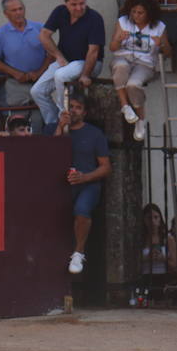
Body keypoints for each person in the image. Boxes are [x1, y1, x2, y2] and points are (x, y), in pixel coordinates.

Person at [32, 0, 106, 132]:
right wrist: (58, 56)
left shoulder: (94, 18)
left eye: (82, 3)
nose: (79, 8)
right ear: (65, 2)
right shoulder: (60, 12)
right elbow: (44, 35)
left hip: (88, 63)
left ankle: (63, 114)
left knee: (61, 75)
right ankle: (53, 123)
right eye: (74, 4)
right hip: (66, 62)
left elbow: (94, 51)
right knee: (37, 91)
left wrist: (85, 75)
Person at [56, 90, 111, 275]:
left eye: (78, 108)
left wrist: (85, 177)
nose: (73, 111)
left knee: (82, 211)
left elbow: (105, 167)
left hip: (87, 183)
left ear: (84, 112)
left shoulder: (95, 134)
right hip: (60, 184)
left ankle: (79, 252)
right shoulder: (52, 128)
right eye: (71, 107)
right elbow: (48, 154)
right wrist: (60, 127)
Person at [108, 0, 170, 143]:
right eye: (133, 12)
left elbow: (168, 52)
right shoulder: (123, 22)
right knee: (120, 67)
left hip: (145, 63)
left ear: (149, 13)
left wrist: (160, 44)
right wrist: (119, 39)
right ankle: (125, 106)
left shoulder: (159, 27)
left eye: (140, 13)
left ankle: (140, 121)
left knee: (134, 84)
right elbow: (112, 47)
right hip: (123, 58)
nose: (136, 16)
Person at [0, 0, 50, 129]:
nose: (18, 13)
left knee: (40, 118)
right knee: (18, 120)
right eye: (14, 10)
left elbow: (52, 54)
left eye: (20, 9)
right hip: (15, 84)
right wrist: (15, 73)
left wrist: (39, 72)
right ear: (6, 14)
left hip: (41, 81)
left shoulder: (39, 28)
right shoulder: (0, 34)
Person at [139, 202, 177, 289]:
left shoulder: (168, 239)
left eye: (156, 217)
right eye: (149, 218)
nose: (152, 221)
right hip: (145, 279)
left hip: (163, 279)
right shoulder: (140, 239)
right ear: (144, 220)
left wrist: (162, 258)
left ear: (160, 219)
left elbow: (174, 265)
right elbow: (132, 263)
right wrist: (147, 258)